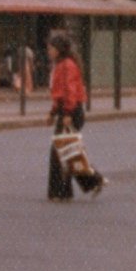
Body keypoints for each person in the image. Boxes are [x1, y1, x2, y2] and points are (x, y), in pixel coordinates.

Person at [46, 30, 104, 199]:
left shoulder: (67, 66)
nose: (49, 52)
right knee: (68, 152)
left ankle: (63, 191)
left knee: (60, 152)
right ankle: (89, 182)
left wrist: (66, 113)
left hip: (71, 111)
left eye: (51, 49)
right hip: (66, 110)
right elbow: (59, 93)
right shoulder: (61, 65)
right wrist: (52, 112)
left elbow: (69, 92)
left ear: (58, 49)